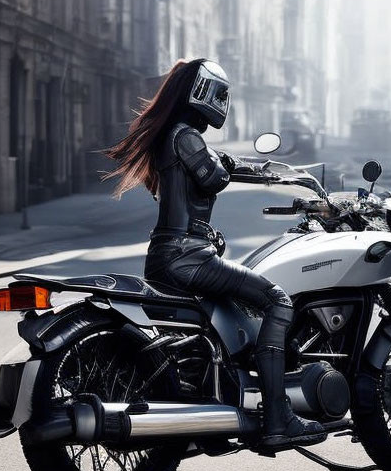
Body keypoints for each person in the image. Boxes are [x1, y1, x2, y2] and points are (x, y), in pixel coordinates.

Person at [104, 58, 326, 449]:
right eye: (220, 94)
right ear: (203, 93)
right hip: (188, 256)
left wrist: (271, 170)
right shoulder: (185, 135)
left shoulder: (171, 135)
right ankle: (278, 417)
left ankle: (220, 398)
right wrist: (226, 163)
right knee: (276, 300)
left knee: (219, 324)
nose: (222, 102)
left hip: (165, 255)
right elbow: (214, 176)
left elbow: (213, 168)